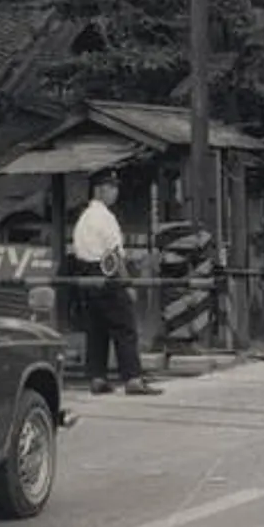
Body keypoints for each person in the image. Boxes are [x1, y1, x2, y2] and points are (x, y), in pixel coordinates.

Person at [72, 168, 161, 396]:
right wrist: (126, 283)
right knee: (125, 327)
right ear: (100, 190)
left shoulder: (83, 218)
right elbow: (113, 255)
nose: (115, 192)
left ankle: (97, 377)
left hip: (85, 274)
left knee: (96, 328)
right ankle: (132, 378)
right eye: (112, 188)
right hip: (107, 272)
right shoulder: (105, 217)